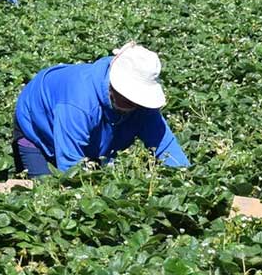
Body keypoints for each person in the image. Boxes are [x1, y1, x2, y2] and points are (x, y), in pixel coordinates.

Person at [12, 43, 189, 177]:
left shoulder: (142, 107)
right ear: (113, 83)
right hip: (36, 128)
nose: (131, 102)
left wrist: (184, 178)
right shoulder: (79, 103)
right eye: (126, 95)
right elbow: (71, 165)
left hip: (85, 132)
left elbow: (165, 145)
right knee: (46, 193)